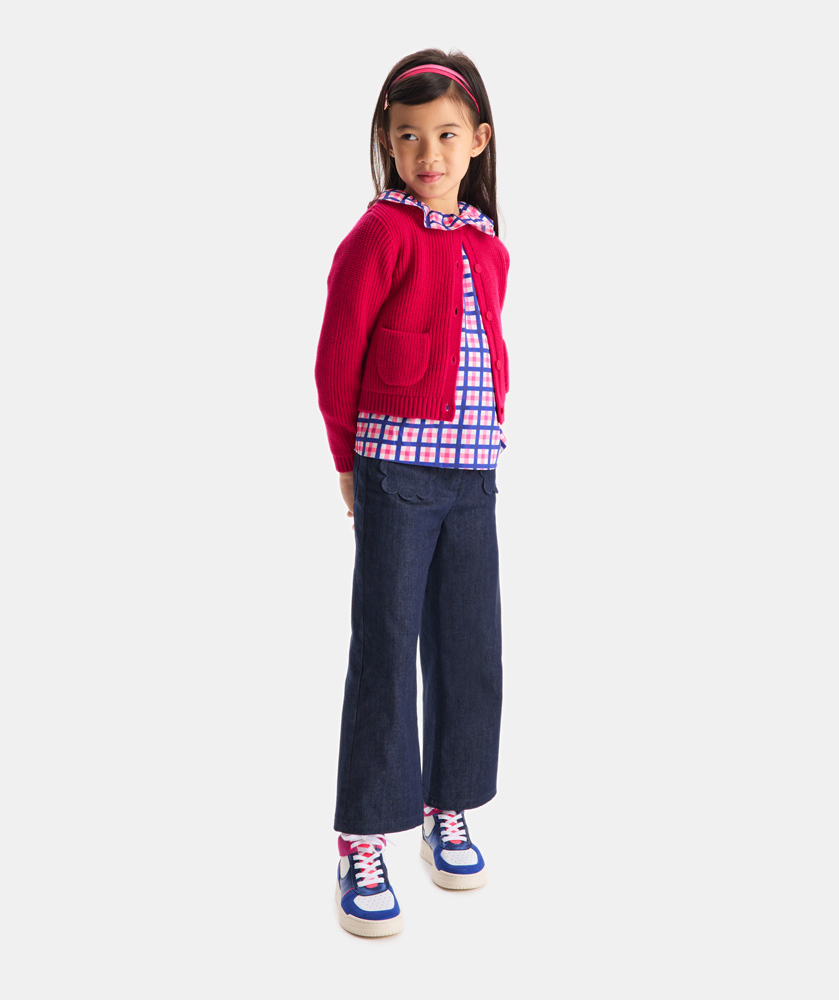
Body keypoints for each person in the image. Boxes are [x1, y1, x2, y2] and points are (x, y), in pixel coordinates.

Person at [314, 49, 512, 938]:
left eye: (445, 135)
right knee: (387, 646)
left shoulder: (487, 245)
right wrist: (347, 462)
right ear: (387, 145)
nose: (428, 154)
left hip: (472, 473)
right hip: (395, 471)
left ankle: (449, 806)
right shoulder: (379, 236)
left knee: (472, 646)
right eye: (407, 137)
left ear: (478, 141)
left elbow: (485, 348)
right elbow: (336, 359)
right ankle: (363, 834)